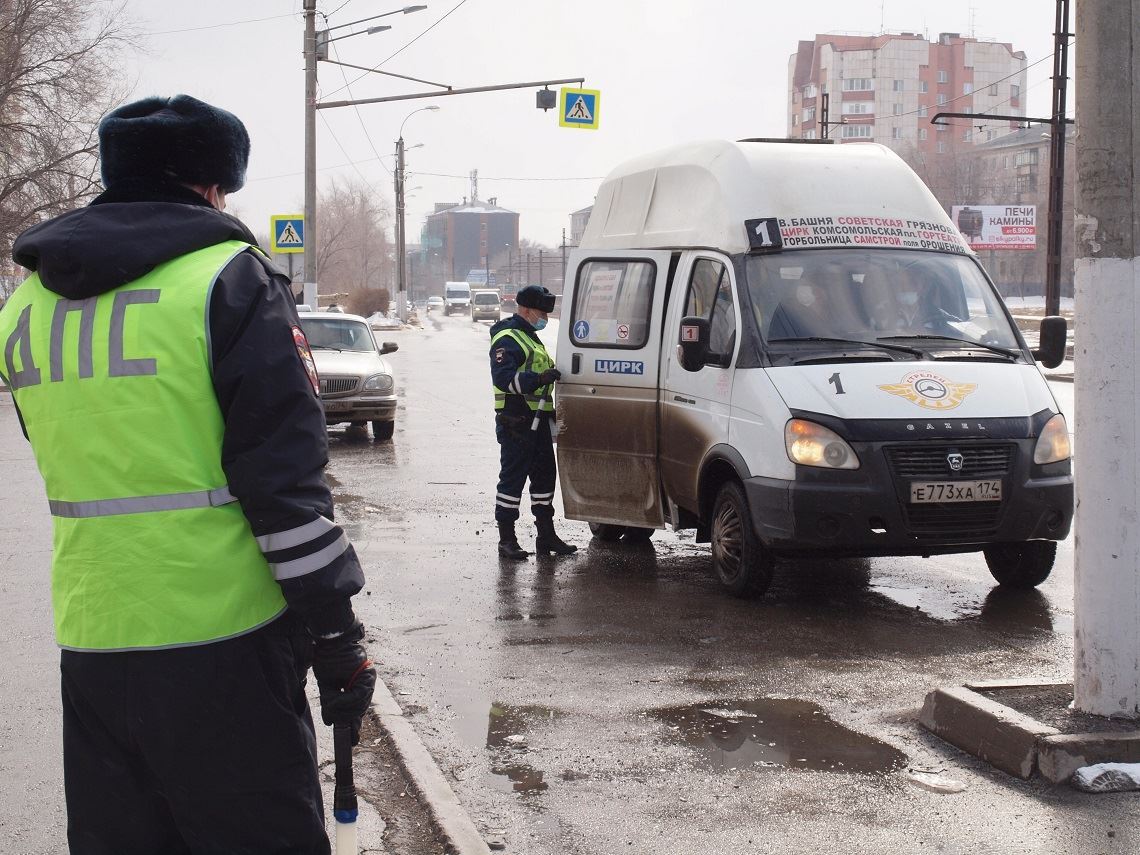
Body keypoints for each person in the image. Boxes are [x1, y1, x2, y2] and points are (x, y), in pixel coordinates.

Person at [0, 95, 375, 854]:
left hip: (94, 640)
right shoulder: (229, 282)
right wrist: (337, 631)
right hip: (225, 646)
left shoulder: (27, 303)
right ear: (211, 187)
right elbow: (286, 491)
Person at [489, 284, 577, 559]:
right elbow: (503, 379)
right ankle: (507, 540)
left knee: (544, 479)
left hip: (537, 421)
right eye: (541, 313)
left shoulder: (529, 336)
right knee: (512, 481)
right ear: (526, 310)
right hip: (516, 421)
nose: (545, 319)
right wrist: (537, 379)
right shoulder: (507, 337)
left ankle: (546, 536)